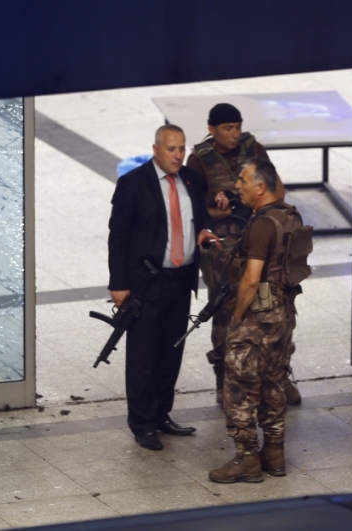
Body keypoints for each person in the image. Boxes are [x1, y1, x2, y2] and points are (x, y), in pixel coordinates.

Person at [107, 124, 218, 451]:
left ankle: (161, 415)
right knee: (143, 355)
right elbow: (119, 238)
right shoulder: (133, 184)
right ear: (156, 149)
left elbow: (198, 219)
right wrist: (118, 283)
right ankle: (142, 423)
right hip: (146, 283)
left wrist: (204, 234)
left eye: (182, 148)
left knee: (172, 351)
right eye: (171, 149)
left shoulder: (191, 180)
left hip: (181, 281)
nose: (178, 155)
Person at [186, 103, 301, 407]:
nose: (234, 134)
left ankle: (278, 375)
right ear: (212, 130)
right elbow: (193, 210)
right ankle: (225, 381)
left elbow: (278, 192)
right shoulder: (199, 161)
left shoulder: (254, 149)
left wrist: (245, 205)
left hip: (259, 244)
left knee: (273, 308)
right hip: (223, 249)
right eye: (227, 128)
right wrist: (222, 208)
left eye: (237, 127)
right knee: (225, 314)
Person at [208, 158, 308, 483]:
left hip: (256, 321)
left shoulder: (263, 225)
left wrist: (236, 317)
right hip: (282, 316)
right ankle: (275, 454)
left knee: (239, 388)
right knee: (273, 384)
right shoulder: (289, 216)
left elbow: (251, 280)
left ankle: (247, 460)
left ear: (260, 187)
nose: (237, 185)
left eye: (243, 180)